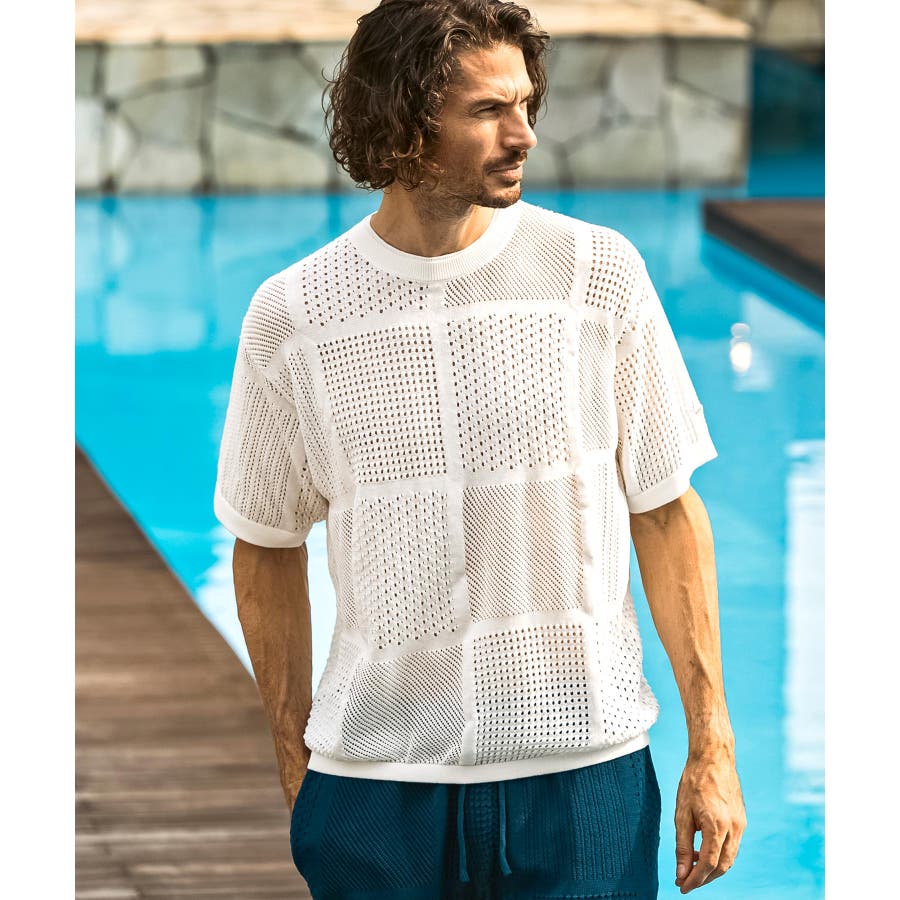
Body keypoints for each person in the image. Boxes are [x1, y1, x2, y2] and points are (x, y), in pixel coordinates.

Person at [213, 1, 747, 897]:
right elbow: (265, 543)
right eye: (489, 110)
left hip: (585, 780)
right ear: (402, 121)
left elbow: (665, 511)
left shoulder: (596, 275)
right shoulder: (294, 316)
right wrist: (295, 763)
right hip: (376, 790)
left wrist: (712, 746)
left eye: (526, 103)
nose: (524, 133)